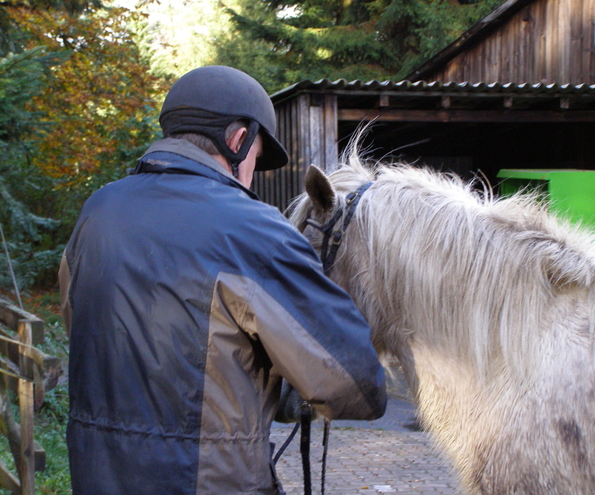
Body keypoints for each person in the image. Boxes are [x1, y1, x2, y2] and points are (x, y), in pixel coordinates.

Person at [58, 65, 387, 495]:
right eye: (255, 157)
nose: (252, 172)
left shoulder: (97, 213)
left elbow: (82, 325)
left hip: (96, 477)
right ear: (239, 140)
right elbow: (355, 385)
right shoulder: (253, 232)